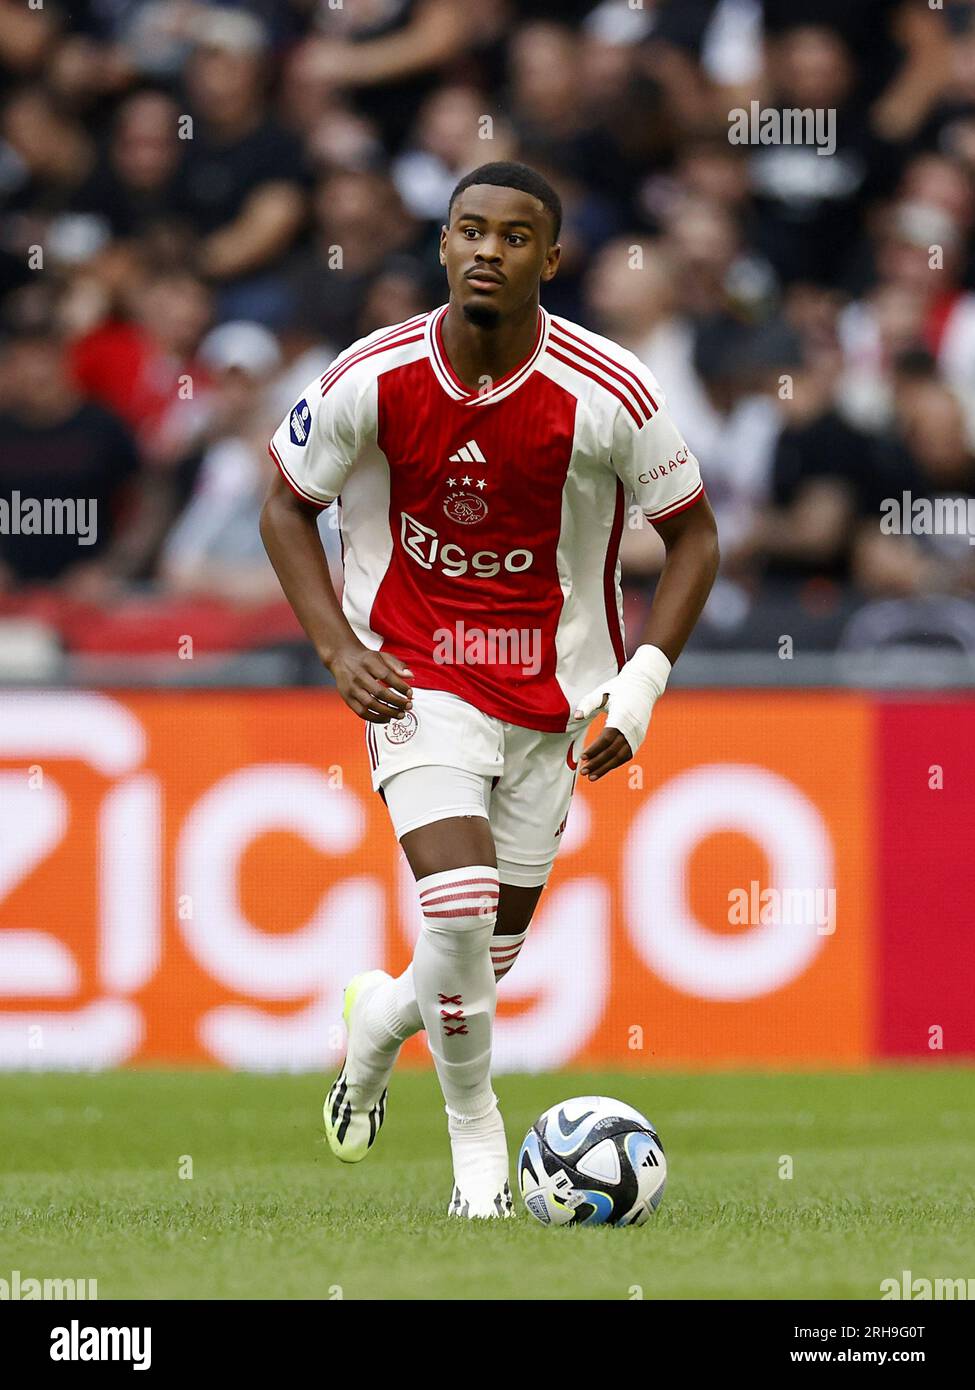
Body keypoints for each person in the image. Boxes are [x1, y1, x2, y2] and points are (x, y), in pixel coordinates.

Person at [260, 162, 719, 1218]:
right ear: (442, 245)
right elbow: (284, 507)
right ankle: (478, 1156)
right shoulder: (370, 378)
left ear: (551, 260)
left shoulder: (612, 394)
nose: (487, 251)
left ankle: (377, 1023)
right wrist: (338, 649)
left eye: (515, 237)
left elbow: (694, 535)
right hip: (416, 679)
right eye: (470, 231)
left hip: (553, 702)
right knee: (457, 908)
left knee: (478, 958)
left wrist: (642, 684)